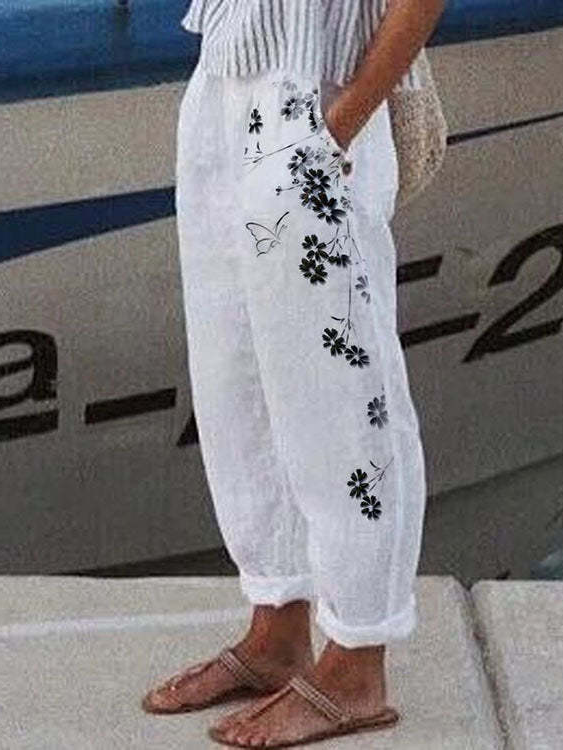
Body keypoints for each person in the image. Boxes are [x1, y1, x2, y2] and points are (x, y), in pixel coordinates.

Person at [142, 0, 445, 746]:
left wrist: (341, 124)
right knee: (237, 372)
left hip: (319, 96)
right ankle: (276, 627)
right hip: (226, 79)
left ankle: (357, 661)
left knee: (341, 388)